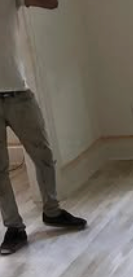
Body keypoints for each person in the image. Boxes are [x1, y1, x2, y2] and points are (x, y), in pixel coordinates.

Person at [0, 0, 87, 255]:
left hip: (18, 92)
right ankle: (14, 228)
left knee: (43, 155)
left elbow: (51, 3)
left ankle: (52, 211)